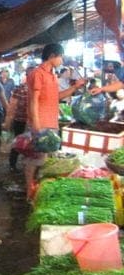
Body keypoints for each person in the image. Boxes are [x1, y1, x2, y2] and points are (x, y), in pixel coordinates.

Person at [25, 43, 86, 200]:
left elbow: (57, 97)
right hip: (41, 123)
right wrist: (36, 125)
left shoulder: (53, 75)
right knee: (37, 158)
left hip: (52, 123)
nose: (62, 59)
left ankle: (41, 190)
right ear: (52, 56)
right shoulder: (37, 74)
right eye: (61, 56)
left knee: (48, 159)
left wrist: (75, 87)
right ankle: (29, 191)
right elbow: (34, 100)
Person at [3, 66, 34, 172]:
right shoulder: (37, 89)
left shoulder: (20, 88)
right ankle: (28, 167)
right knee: (29, 144)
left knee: (18, 143)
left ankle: (13, 164)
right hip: (30, 122)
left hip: (21, 121)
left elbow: (12, 107)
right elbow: (12, 107)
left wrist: (8, 122)